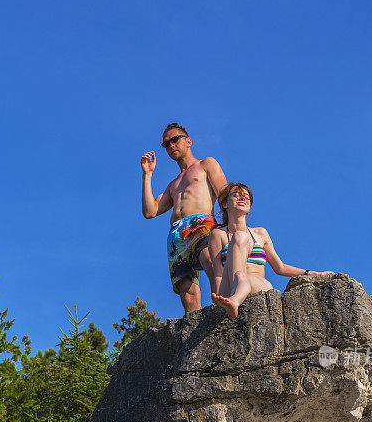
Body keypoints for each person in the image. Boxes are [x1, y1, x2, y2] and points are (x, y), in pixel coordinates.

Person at [209, 182, 333, 319]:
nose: (242, 198)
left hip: (257, 284)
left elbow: (280, 268)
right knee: (239, 237)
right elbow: (219, 274)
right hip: (230, 286)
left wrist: (312, 273)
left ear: (249, 206)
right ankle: (233, 298)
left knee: (243, 270)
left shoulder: (260, 233)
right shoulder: (218, 235)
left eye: (246, 197)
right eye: (236, 195)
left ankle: (235, 301)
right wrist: (217, 305)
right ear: (225, 204)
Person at [141, 123, 227, 313]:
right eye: (166, 144)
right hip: (176, 234)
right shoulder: (173, 185)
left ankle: (221, 310)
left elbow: (224, 195)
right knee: (185, 286)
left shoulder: (206, 164)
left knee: (210, 259)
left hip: (201, 223)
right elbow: (150, 211)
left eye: (174, 140)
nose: (171, 145)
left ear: (188, 141)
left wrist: (228, 227)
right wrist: (147, 175)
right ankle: (194, 330)